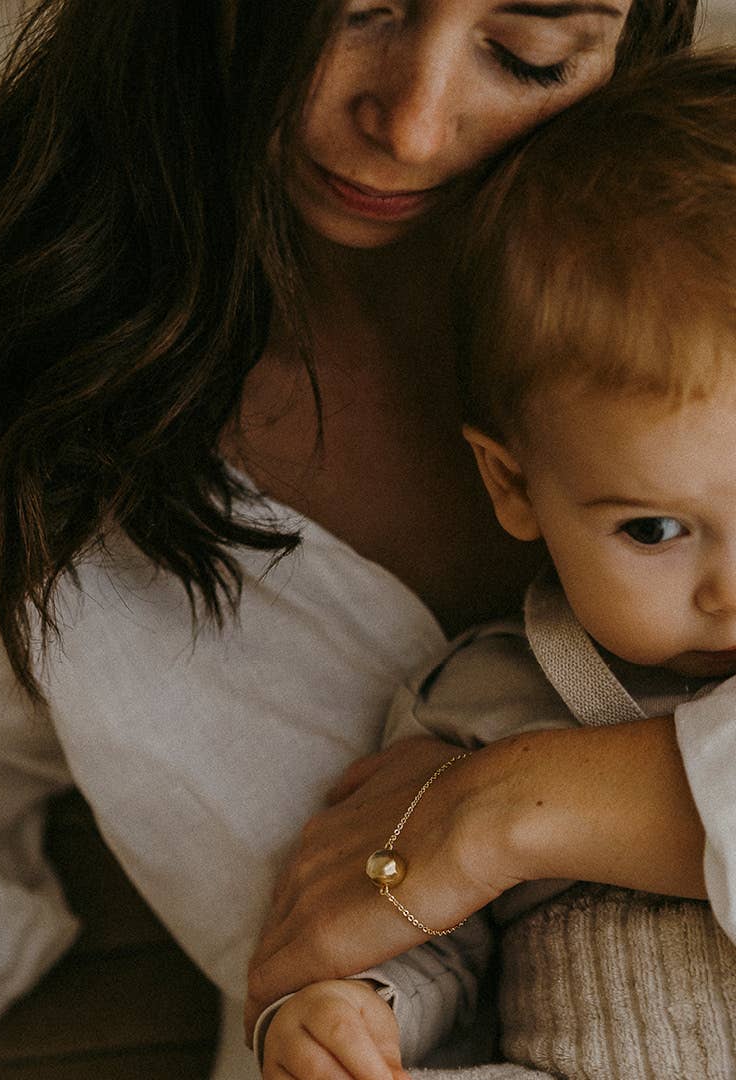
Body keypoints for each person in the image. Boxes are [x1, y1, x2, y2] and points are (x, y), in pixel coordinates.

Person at [0, 2, 716, 1078]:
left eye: (525, 55)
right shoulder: (47, 400)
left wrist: (498, 812)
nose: (411, 124)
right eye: (354, 14)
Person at [257, 48, 736, 1080]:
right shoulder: (481, 698)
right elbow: (412, 928)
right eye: (653, 530)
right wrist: (352, 1007)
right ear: (513, 486)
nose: (730, 592)